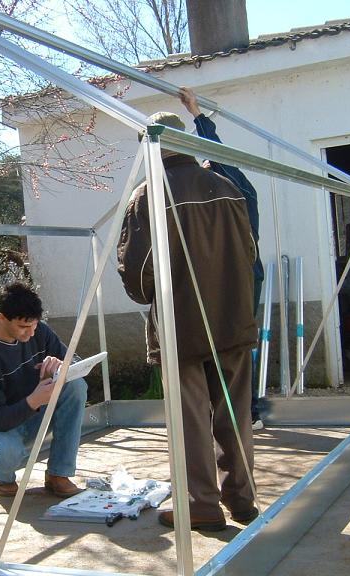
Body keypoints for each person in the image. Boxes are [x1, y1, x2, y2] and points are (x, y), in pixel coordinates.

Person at [117, 113, 259, 531]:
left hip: (182, 329)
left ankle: (202, 506)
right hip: (233, 320)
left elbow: (139, 272)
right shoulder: (227, 187)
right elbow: (250, 252)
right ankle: (243, 499)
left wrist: (147, 295)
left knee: (191, 419)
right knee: (236, 417)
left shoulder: (149, 195)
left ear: (152, 145)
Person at [178, 86, 266, 431]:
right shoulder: (220, 200)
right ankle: (237, 411)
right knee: (227, 344)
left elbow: (219, 156)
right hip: (230, 279)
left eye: (205, 164)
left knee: (235, 345)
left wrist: (198, 116)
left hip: (242, 278)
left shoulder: (239, 195)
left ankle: (248, 412)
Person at [0, 282, 87, 498]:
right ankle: (2, 477)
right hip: (0, 429)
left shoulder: (39, 331)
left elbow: (75, 363)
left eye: (34, 325)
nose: (31, 333)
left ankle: (58, 474)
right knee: (5, 454)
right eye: (23, 327)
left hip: (34, 415)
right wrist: (34, 400)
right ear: (2, 317)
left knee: (75, 385)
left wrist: (60, 365)